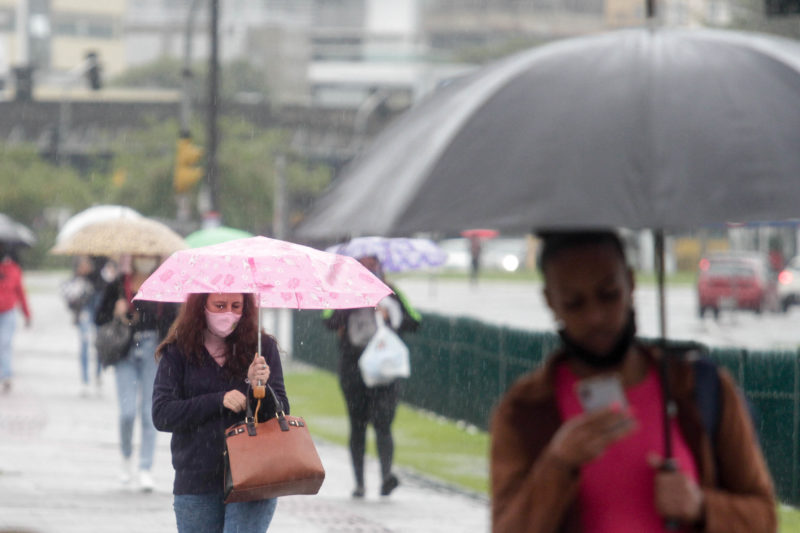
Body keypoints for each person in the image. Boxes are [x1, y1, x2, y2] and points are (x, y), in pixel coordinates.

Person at [490, 230, 776, 533]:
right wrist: (558, 464)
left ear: (631, 282)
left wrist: (701, 505)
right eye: (574, 303)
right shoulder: (525, 410)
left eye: (609, 294)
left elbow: (765, 518)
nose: (596, 317)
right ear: (550, 301)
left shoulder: (699, 386)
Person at [152, 292, 289, 533]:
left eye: (236, 306)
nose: (228, 313)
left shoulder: (262, 347)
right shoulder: (178, 351)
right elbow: (162, 413)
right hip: (197, 479)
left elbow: (281, 413)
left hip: (252, 476)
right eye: (219, 305)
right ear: (201, 305)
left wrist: (259, 387)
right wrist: (217, 401)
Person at [322, 255, 420, 498]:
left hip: (385, 369)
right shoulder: (344, 291)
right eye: (363, 263)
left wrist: (388, 314)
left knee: (383, 421)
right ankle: (359, 483)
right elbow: (328, 320)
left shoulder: (391, 292)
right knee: (357, 425)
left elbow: (415, 321)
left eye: (373, 262)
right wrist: (353, 302)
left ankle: (386, 476)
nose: (369, 267)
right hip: (353, 369)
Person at [94, 254, 177, 492]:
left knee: (149, 412)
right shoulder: (119, 284)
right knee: (127, 412)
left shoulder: (164, 282)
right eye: (140, 253)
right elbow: (98, 317)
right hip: (125, 353)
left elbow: (175, 321)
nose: (144, 258)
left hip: (153, 352)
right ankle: (126, 456)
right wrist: (116, 311)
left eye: (148, 254)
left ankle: (145, 468)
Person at [63, 255, 109, 397]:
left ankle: (98, 375)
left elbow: (109, 280)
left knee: (100, 342)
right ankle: (85, 380)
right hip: (85, 304)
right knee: (84, 341)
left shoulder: (105, 255)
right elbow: (73, 284)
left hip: (100, 302)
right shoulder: (82, 252)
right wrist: (81, 270)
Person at [0, 244, 31, 393]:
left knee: (4, 344)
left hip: (7, 312)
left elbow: (20, 293)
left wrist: (27, 314)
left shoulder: (13, 269)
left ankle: (6, 375)